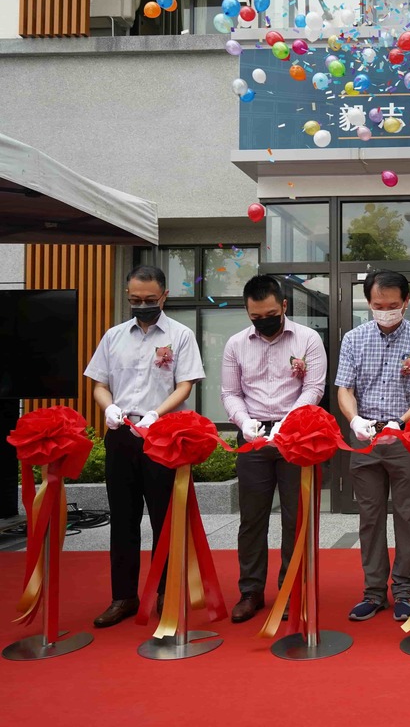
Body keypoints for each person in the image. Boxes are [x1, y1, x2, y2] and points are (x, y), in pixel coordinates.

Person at [84, 265, 204, 627]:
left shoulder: (180, 335)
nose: (142, 305)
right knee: (122, 518)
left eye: (149, 300)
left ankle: (168, 592)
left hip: (162, 433)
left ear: (164, 297)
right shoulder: (113, 336)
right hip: (121, 432)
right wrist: (110, 407)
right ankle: (123, 596)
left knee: (164, 517)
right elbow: (98, 383)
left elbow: (185, 385)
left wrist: (156, 413)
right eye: (135, 300)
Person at [221, 276, 327, 623]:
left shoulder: (308, 339)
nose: (263, 321)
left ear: (283, 306)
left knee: (296, 517)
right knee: (252, 518)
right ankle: (250, 591)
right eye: (255, 316)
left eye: (269, 313)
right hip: (252, 436)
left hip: (295, 436)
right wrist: (244, 422)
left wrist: (291, 421)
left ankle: (293, 588)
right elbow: (230, 392)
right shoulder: (236, 344)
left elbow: (314, 386)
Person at [335, 270, 410, 622]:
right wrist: (354, 420)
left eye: (393, 305)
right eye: (378, 305)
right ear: (368, 303)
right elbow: (344, 388)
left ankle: (406, 590)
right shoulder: (353, 339)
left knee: (408, 515)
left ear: (406, 302)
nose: (385, 311)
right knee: (370, 516)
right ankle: (374, 591)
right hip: (364, 436)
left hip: (405, 437)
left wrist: (403, 421)